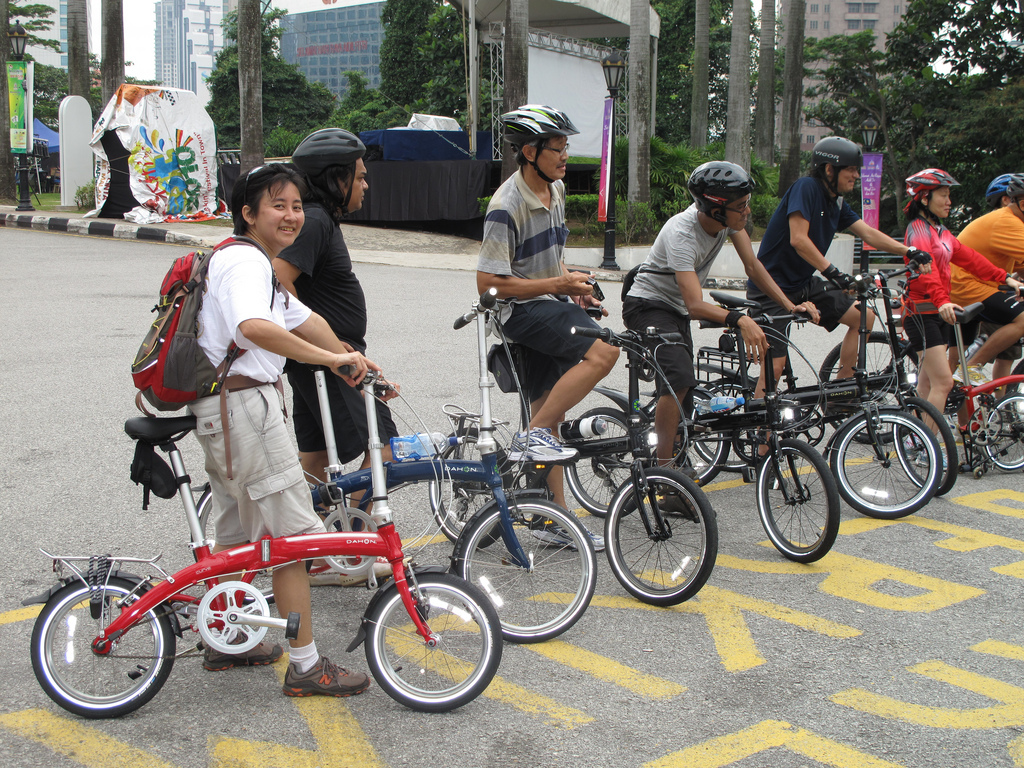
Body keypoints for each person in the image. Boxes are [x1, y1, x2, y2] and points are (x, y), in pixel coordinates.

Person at [190, 162, 376, 697]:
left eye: (297, 205)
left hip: (225, 410)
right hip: (246, 408)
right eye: (278, 205)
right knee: (293, 538)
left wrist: (353, 357)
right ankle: (307, 665)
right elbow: (255, 327)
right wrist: (327, 357)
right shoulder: (246, 263)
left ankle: (228, 637)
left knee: (235, 533)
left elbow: (300, 316)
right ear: (248, 214)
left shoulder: (250, 264)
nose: (292, 216)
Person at [622, 161, 820, 468]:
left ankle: (674, 455)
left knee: (684, 397)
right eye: (741, 207)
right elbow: (695, 305)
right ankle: (665, 471)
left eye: (747, 205)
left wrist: (788, 305)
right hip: (647, 305)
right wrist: (739, 319)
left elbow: (753, 267)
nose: (747, 212)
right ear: (716, 209)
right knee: (679, 380)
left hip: (674, 310)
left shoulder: (729, 223)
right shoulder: (682, 233)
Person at [476, 105, 618, 531]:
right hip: (518, 313)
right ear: (529, 151)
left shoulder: (554, 193)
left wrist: (576, 292)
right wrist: (559, 287)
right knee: (605, 352)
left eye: (565, 147)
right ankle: (529, 437)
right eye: (557, 148)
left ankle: (552, 517)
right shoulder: (506, 204)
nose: (564, 156)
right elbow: (489, 285)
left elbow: (551, 262)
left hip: (548, 305)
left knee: (549, 410)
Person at [747, 136, 931, 396]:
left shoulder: (836, 201)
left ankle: (840, 391)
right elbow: (798, 239)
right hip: (771, 288)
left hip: (802, 284)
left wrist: (909, 250)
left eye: (857, 170)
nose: (856, 175)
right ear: (829, 169)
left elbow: (867, 233)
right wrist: (834, 273)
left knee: (863, 316)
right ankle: (761, 436)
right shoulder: (807, 188)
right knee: (774, 368)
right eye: (851, 169)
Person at [273, 129, 399, 488]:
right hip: (332, 361)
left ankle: (310, 535)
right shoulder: (314, 221)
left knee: (316, 456)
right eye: (359, 177)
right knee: (386, 448)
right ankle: (351, 537)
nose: (365, 185)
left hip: (319, 358)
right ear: (336, 178)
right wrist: (330, 347)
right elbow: (278, 283)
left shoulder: (320, 219)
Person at [900, 169, 1020, 434]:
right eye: (943, 195)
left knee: (928, 384)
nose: (949, 201)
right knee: (942, 383)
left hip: (939, 311)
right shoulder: (918, 231)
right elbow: (926, 272)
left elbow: (971, 259)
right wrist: (943, 301)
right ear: (924, 198)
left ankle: (913, 439)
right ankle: (925, 447)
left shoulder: (940, 231)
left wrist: (1006, 279)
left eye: (949, 195)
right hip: (923, 312)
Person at [949, 172, 1024, 387]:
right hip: (968, 285)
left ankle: (957, 420)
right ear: (1012, 201)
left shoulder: (1008, 222)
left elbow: (1021, 267)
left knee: (954, 365)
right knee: (1023, 320)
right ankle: (975, 365)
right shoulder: (1009, 222)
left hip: (963, 286)